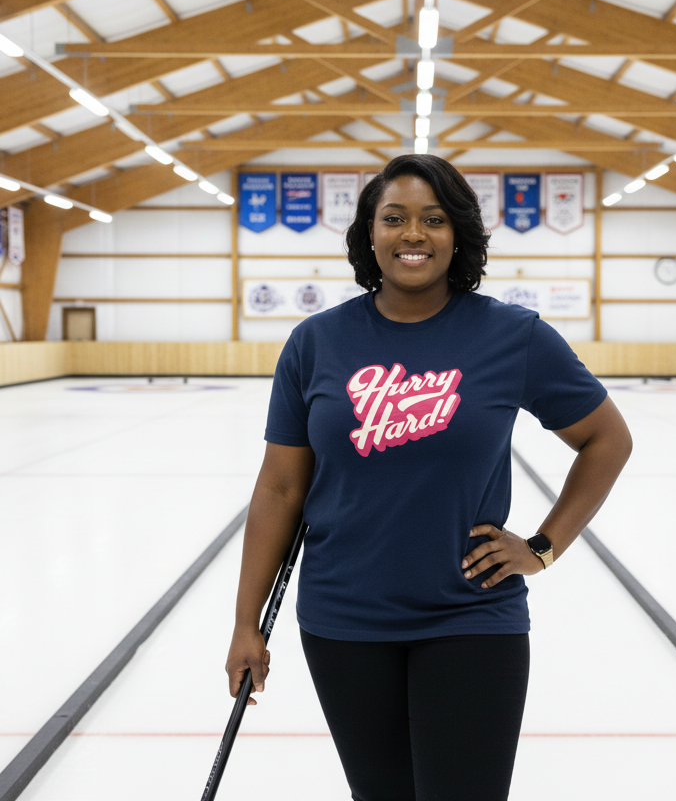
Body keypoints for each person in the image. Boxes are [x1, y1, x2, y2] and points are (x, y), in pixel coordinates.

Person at [226, 154, 632, 801]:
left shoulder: (511, 336)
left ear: (458, 234)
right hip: (344, 622)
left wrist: (543, 547)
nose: (413, 234)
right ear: (368, 234)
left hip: (470, 618)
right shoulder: (316, 343)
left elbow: (606, 439)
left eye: (433, 219)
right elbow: (279, 489)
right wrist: (246, 623)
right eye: (394, 218)